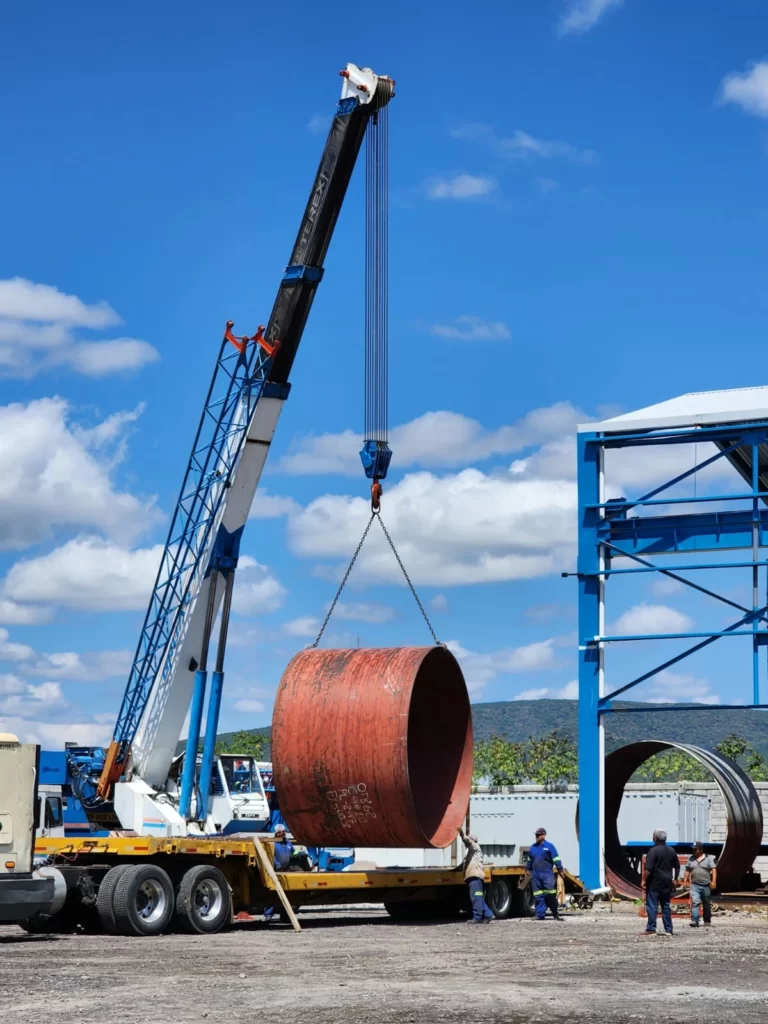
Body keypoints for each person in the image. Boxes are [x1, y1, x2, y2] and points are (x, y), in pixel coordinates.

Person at [642, 829, 680, 936]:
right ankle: (668, 929)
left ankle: (651, 928)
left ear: (655, 838)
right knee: (666, 905)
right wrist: (675, 879)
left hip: (654, 882)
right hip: (667, 882)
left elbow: (648, 869)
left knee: (652, 905)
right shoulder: (671, 850)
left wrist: (644, 880)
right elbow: (677, 866)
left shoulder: (653, 851)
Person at [526, 827, 565, 921]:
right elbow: (529, 860)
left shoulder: (550, 846)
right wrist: (527, 869)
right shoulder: (533, 847)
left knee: (550, 894)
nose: (537, 836)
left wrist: (560, 869)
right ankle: (540, 915)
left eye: (538, 835)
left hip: (547, 875)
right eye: (536, 835)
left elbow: (556, 859)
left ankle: (555, 914)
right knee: (538, 895)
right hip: (536, 875)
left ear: (544, 835)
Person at [458, 826, 493, 924]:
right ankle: (488, 914)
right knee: (478, 898)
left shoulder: (475, 847)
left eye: (470, 839)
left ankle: (477, 917)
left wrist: (462, 833)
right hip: (473, 877)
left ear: (473, 840)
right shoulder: (471, 851)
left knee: (475, 897)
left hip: (475, 877)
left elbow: (467, 841)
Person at [684, 841, 716, 928]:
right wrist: (685, 881)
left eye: (696, 849)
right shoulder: (691, 859)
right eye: (693, 849)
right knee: (695, 902)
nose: (694, 851)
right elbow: (687, 870)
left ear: (701, 850)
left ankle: (707, 921)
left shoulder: (708, 859)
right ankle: (695, 920)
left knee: (706, 903)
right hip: (695, 885)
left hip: (706, 885)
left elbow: (713, 870)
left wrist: (714, 881)